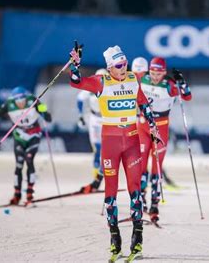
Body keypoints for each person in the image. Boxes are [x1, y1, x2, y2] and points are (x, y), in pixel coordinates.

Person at [69, 44, 160, 259]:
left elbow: (143, 103)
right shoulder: (101, 82)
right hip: (110, 143)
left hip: (131, 142)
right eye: (119, 65)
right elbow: (76, 82)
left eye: (125, 63)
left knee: (135, 189)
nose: (123, 67)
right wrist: (75, 65)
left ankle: (137, 237)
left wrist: (152, 124)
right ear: (110, 67)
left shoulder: (131, 80)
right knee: (110, 192)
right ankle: (115, 238)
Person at [136, 57, 192, 222]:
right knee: (140, 165)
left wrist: (182, 83)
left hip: (160, 127)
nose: (155, 76)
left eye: (158, 73)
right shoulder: (142, 78)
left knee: (156, 168)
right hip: (143, 125)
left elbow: (187, 97)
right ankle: (140, 200)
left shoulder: (169, 85)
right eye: (152, 72)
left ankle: (154, 204)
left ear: (164, 73)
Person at [0, 86, 52, 207]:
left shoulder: (33, 101)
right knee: (19, 164)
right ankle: (17, 195)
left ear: (26, 97)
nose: (20, 102)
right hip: (19, 135)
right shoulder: (9, 104)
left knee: (29, 160)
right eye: (17, 100)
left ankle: (29, 195)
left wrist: (44, 111)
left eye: (22, 99)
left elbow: (48, 119)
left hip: (34, 134)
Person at [75, 68, 107, 193]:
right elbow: (80, 99)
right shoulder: (91, 86)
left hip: (106, 119)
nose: (100, 81)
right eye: (99, 78)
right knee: (97, 149)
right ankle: (96, 178)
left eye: (103, 78)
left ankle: (100, 178)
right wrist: (80, 116)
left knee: (106, 150)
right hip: (94, 119)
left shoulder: (109, 86)